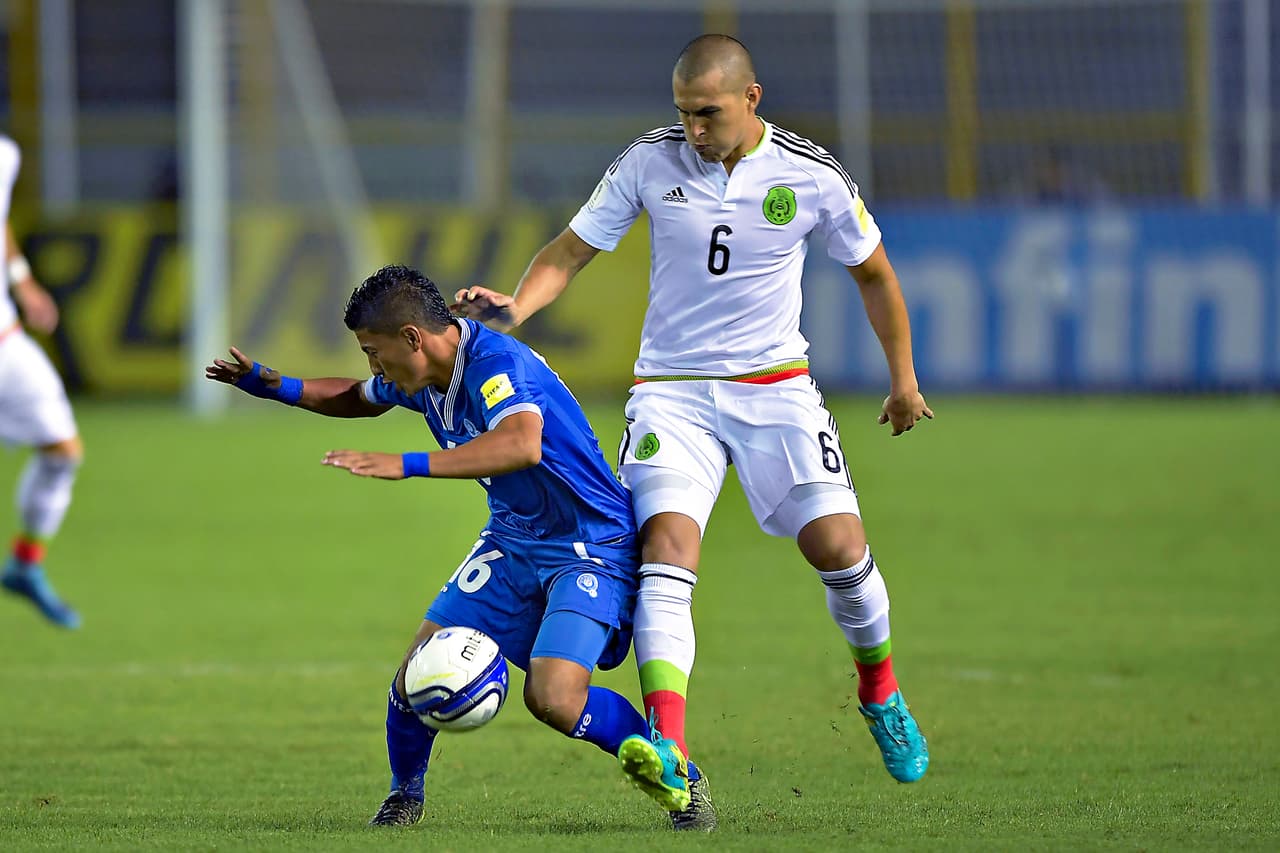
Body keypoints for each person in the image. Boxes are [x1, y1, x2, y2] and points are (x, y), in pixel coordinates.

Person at [453, 34, 934, 829]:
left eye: (707, 113)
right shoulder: (651, 161)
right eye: (683, 114)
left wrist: (903, 381)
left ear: (751, 98)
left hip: (775, 389)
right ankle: (669, 749)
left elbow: (875, 274)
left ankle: (879, 690)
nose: (693, 130)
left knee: (840, 548)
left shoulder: (811, 174)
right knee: (666, 552)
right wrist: (516, 306)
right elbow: (570, 251)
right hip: (671, 395)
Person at [205, 264, 692, 827]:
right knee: (415, 672)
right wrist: (275, 386)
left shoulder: (494, 365)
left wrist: (409, 464)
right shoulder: (427, 375)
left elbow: (522, 443)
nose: (374, 366)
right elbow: (359, 396)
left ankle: (679, 774)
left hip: (589, 543)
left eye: (374, 351)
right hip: (513, 538)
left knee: (554, 699)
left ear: (412, 337)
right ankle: (404, 797)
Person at [0, 134, 84, 629]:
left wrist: (23, 279)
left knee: (62, 453)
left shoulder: (4, 154)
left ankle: (25, 565)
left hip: (6, 341)